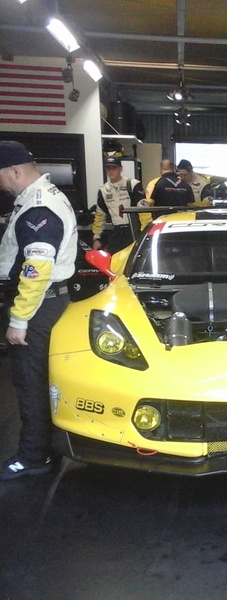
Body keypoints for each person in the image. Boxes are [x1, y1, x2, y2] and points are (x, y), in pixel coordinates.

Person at [0, 141, 77, 480]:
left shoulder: (38, 209)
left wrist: (19, 320)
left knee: (30, 383)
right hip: (46, 302)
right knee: (40, 382)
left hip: (37, 305)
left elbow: (36, 270)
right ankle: (47, 446)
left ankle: (34, 457)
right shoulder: (44, 197)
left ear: (14, 171)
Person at [92, 157, 146, 253]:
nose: (111, 171)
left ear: (121, 169)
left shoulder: (133, 184)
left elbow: (144, 211)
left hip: (133, 230)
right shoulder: (103, 190)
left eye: (114, 168)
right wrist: (96, 237)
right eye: (108, 168)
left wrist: (146, 232)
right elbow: (100, 215)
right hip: (117, 232)